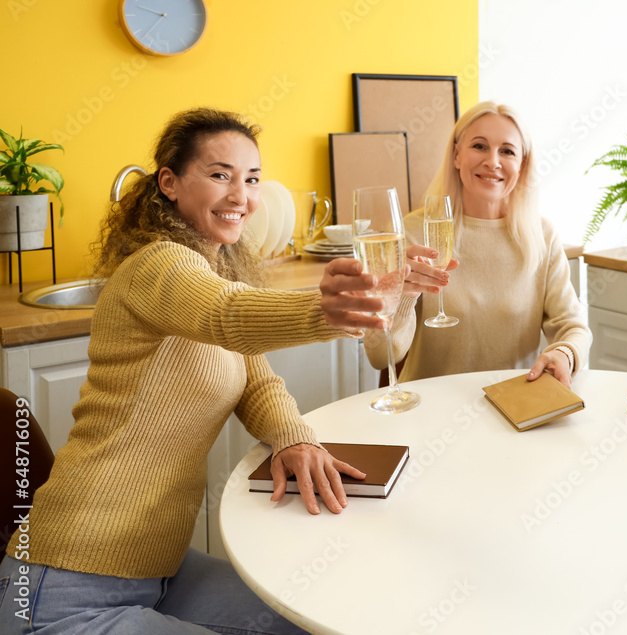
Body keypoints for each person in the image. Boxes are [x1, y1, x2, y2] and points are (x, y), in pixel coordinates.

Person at [0, 107, 385, 634]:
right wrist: (323, 312)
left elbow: (255, 378)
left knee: (308, 620)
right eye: (219, 174)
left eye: (251, 179)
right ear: (170, 183)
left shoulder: (210, 268)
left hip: (159, 570)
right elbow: (227, 317)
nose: (241, 196)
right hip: (62, 588)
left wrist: (295, 439)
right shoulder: (158, 265)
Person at [364, 101, 591, 386]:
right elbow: (380, 356)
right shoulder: (413, 232)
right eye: (480, 146)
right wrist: (405, 296)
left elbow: (574, 328)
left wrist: (565, 354)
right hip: (432, 411)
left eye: (507, 151)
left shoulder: (542, 235)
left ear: (521, 165)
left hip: (515, 408)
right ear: (457, 155)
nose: (492, 161)